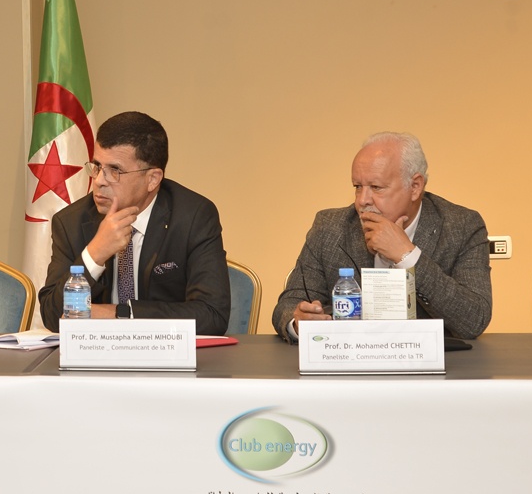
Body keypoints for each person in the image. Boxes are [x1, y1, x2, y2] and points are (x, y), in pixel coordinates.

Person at [272, 132, 492, 341]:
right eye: (358, 186)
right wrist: (298, 322)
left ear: (415, 187)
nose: (362, 200)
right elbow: (288, 305)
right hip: (348, 359)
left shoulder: (461, 226)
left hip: (429, 363)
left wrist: (407, 256)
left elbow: (474, 320)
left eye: (376, 187)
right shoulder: (330, 228)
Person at [38, 111, 231, 333]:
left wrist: (122, 314)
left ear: (152, 179)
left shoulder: (193, 217)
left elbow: (212, 315)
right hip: (97, 352)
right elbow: (52, 316)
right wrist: (94, 254)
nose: (99, 181)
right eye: (97, 166)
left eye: (115, 170)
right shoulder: (70, 222)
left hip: (165, 351)